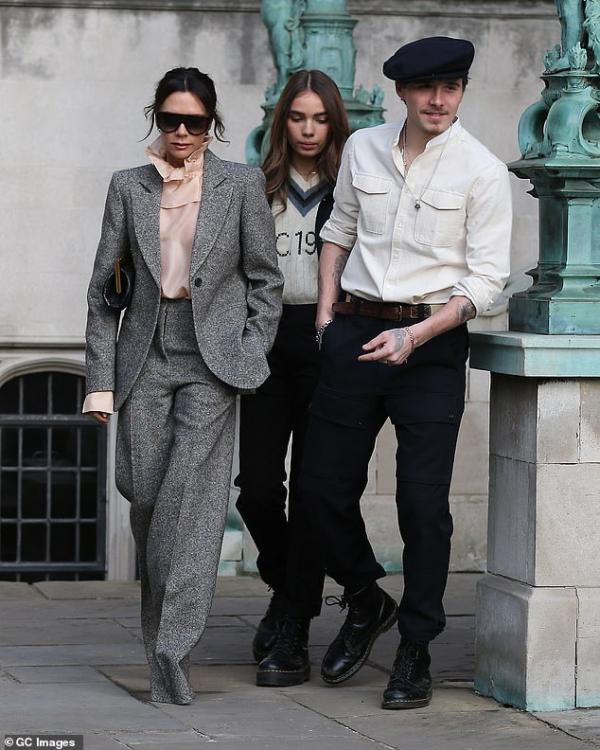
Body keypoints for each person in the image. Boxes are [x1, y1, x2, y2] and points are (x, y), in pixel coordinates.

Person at [299, 37, 512, 709]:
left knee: (423, 507)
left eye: (451, 87)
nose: (438, 100)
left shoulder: (482, 170)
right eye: (426, 88)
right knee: (318, 490)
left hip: (432, 346)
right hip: (355, 332)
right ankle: (366, 598)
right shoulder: (363, 148)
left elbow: (487, 282)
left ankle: (415, 647)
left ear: (462, 90)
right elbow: (338, 230)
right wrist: (327, 316)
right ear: (402, 92)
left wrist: (414, 336)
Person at [83, 67, 282, 705]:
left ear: (211, 124)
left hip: (212, 361)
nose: (181, 132)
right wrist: (99, 382)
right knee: (145, 495)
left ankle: (170, 655)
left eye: (194, 122)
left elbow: (265, 279)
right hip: (144, 354)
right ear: (157, 118)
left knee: (188, 504)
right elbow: (103, 292)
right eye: (170, 119)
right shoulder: (128, 186)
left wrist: (249, 352)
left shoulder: (241, 184)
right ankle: (163, 640)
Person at [235, 69, 349, 687]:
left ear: (334, 124)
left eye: (320, 119)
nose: (308, 130)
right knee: (256, 488)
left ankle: (293, 628)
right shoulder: (256, 188)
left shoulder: (353, 186)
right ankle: (291, 591)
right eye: (298, 117)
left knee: (310, 491)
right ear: (283, 122)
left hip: (327, 339)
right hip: (266, 337)